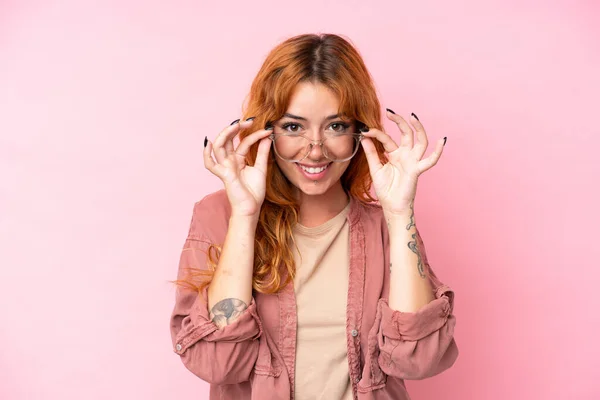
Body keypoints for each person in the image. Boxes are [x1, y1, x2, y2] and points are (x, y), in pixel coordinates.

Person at [169, 33, 458, 400]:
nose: (316, 149)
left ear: (358, 131)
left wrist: (400, 214)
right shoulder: (218, 215)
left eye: (335, 126)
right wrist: (244, 214)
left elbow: (420, 361)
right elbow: (218, 362)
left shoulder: (383, 228)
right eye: (293, 127)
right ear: (267, 131)